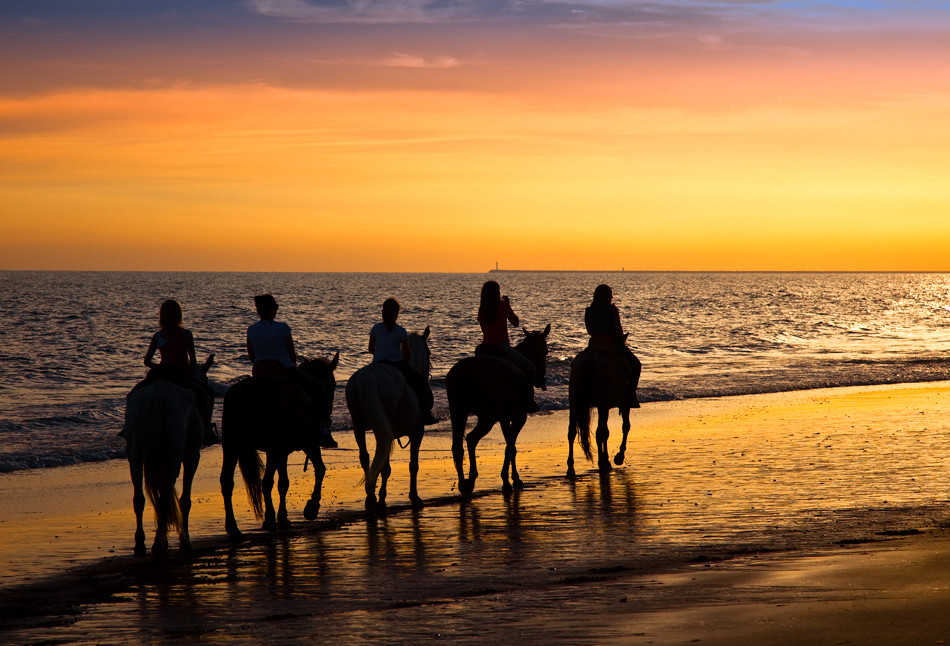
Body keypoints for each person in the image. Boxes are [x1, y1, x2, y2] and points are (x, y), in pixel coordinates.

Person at [247, 294, 337, 448]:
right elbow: (292, 357)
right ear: (273, 309)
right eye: (276, 307)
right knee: (320, 390)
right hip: (284, 372)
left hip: (259, 374)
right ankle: (323, 432)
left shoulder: (251, 329)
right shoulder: (283, 328)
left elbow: (252, 356)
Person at [126, 299, 215, 438]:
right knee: (208, 395)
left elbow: (147, 361)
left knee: (133, 395)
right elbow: (193, 362)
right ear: (179, 316)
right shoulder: (186, 335)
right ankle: (207, 429)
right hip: (180, 375)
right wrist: (190, 370)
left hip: (160, 374)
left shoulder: (158, 336)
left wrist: (160, 367)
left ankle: (128, 428)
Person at [368, 298, 437, 425]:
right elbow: (407, 354)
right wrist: (404, 360)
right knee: (421, 384)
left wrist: (380, 355)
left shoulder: (375, 328)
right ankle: (426, 414)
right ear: (396, 314)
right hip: (396, 365)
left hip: (377, 364)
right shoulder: (400, 331)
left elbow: (371, 349)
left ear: (382, 312)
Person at [477, 280, 539, 412]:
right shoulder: (502, 305)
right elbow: (515, 322)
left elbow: (484, 330)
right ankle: (528, 400)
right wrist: (508, 305)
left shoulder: (482, 310)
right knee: (531, 368)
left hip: (485, 348)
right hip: (502, 348)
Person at [584, 284, 641, 407]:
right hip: (611, 345)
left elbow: (589, 331)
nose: (612, 297)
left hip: (593, 345)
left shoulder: (589, 311)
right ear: (606, 296)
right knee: (636, 365)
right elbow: (618, 331)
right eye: (610, 294)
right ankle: (630, 396)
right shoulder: (611, 310)